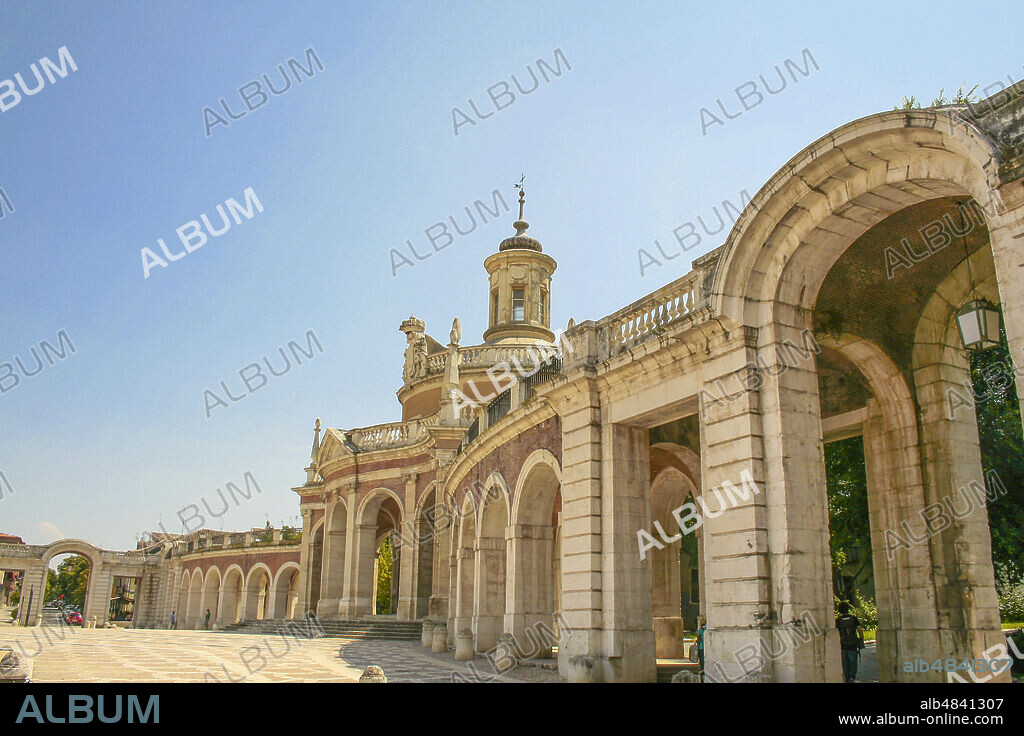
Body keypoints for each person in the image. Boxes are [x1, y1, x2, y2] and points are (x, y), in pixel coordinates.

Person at [836, 601, 864, 683]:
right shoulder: (853, 618)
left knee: (844, 663)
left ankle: (846, 678)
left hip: (842, 645)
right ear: (848, 609)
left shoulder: (838, 621)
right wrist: (861, 638)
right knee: (853, 663)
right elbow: (859, 629)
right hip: (853, 645)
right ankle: (852, 678)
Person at [696, 616, 707, 682]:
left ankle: (703, 672)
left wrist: (696, 641)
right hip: (706, 647)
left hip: (701, 647)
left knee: (702, 660)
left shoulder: (700, 630)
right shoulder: (706, 629)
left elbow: (698, 639)